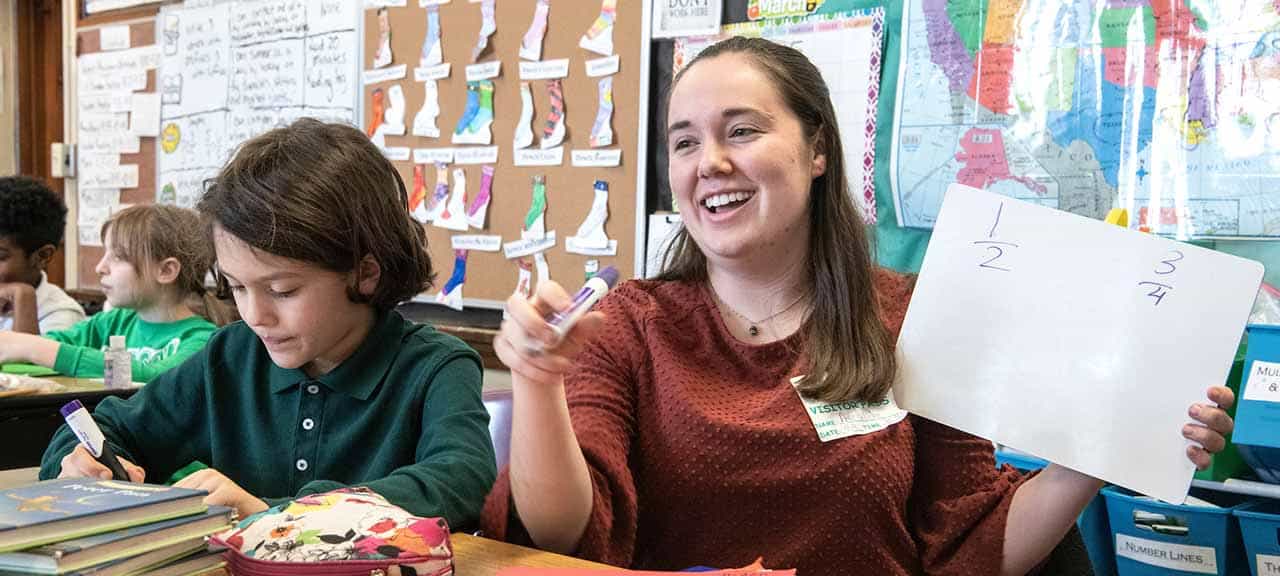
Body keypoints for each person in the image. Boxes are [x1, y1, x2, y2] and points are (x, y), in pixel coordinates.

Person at [483, 37, 1236, 575]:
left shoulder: (913, 318)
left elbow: (970, 544)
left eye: (741, 130)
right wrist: (539, 381)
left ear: (816, 151)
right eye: (684, 142)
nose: (709, 162)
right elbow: (564, 535)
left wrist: (1113, 443)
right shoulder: (628, 327)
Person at [40, 119, 497, 529]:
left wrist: (280, 513)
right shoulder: (232, 355)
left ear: (365, 273)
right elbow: (106, 428)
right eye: (237, 287)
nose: (254, 315)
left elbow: (458, 479)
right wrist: (80, 462)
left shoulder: (435, 367)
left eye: (282, 291)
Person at [0, 204, 217, 382]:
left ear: (166, 271)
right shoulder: (111, 323)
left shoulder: (204, 340)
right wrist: (22, 347)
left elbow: (154, 377)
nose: (100, 267)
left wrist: (33, 347)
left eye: (118, 257)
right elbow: (40, 352)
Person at [0, 176, 85, 334]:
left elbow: (26, 357)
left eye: (1, 257)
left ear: (42, 256)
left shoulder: (63, 316)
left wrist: (23, 299)